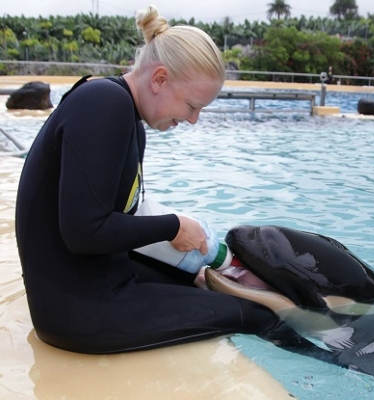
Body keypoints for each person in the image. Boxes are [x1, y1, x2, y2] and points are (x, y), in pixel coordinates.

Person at [14, 5, 283, 354]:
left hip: (99, 279)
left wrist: (193, 271)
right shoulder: (104, 104)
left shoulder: (124, 114)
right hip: (77, 310)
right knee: (258, 316)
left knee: (207, 285)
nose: (193, 120)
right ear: (159, 79)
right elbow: (83, 232)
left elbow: (119, 223)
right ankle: (341, 358)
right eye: (191, 106)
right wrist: (173, 226)